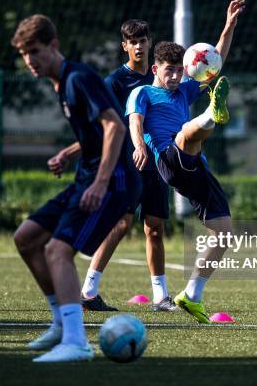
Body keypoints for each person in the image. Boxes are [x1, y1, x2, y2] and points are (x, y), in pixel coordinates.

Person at [11, 14, 141, 362]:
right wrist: (68, 153)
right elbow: (96, 133)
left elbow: (115, 128)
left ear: (53, 46)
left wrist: (100, 181)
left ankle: (76, 342)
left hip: (112, 182)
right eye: (25, 55)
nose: (30, 61)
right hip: (87, 177)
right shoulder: (61, 83)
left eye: (35, 52)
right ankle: (60, 323)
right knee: (25, 237)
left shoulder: (79, 78)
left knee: (57, 251)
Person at [126, 0, 246, 323]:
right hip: (167, 158)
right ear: (155, 69)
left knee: (223, 234)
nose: (177, 76)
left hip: (196, 166)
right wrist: (139, 147)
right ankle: (211, 113)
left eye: (181, 70)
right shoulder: (143, 94)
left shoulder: (183, 91)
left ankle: (191, 295)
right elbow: (135, 122)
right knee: (185, 136)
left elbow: (213, 60)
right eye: (170, 70)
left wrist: (229, 24)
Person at [79, 19, 177, 312]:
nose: (139, 46)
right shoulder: (115, 83)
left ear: (149, 42)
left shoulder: (160, 76)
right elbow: (100, 124)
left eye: (143, 40)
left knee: (155, 228)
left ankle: (160, 297)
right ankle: (88, 292)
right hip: (126, 164)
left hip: (156, 163)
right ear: (125, 47)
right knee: (120, 224)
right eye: (132, 42)